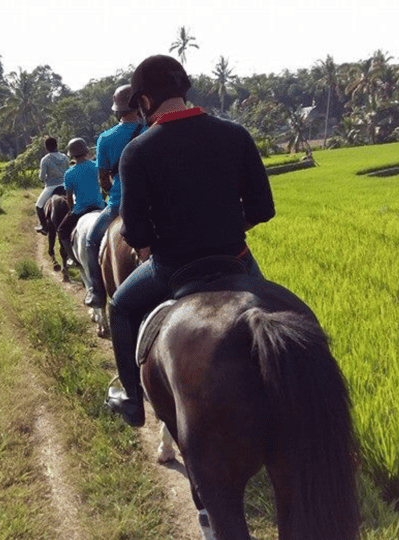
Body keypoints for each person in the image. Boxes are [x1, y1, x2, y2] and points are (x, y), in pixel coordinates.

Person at [105, 55, 275, 427]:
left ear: (146, 102)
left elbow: (134, 233)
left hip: (172, 268)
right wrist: (226, 227)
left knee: (119, 307)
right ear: (183, 90)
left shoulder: (137, 152)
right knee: (279, 313)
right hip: (237, 258)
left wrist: (165, 237)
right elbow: (263, 208)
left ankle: (133, 402)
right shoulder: (235, 134)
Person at [83, 84, 145, 308]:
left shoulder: (106, 138)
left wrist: (115, 193)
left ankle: (97, 293)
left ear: (116, 110)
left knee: (91, 241)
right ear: (140, 105)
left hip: (118, 205)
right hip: (151, 204)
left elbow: (103, 178)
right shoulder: (152, 129)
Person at [57, 137, 105, 254]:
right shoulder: (96, 166)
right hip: (100, 206)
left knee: (61, 230)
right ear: (86, 151)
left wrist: (71, 210)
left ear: (72, 155)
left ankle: (72, 259)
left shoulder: (69, 173)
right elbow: (104, 186)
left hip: (80, 210)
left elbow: (69, 197)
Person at [35, 137, 70, 233]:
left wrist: (43, 178)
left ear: (47, 147)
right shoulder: (65, 157)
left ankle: (44, 226)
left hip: (51, 186)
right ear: (56, 145)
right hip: (65, 185)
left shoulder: (45, 160)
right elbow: (68, 171)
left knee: (39, 205)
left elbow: (42, 177)